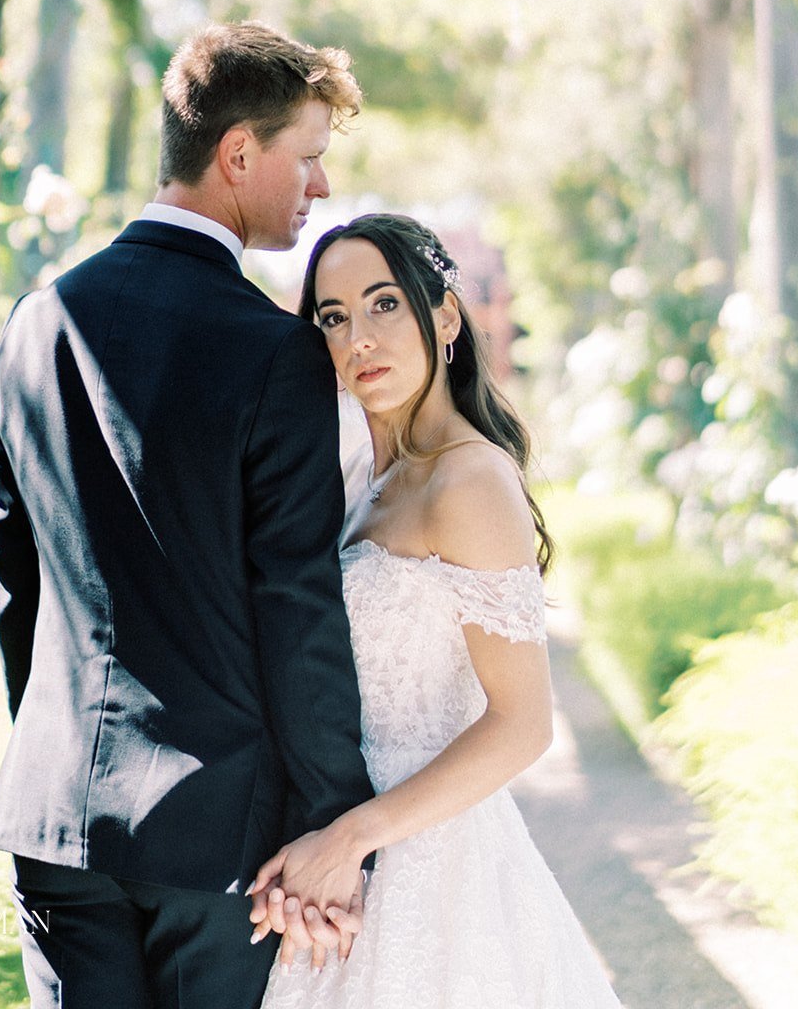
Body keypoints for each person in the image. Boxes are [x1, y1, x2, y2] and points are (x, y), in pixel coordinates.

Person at [0, 22, 375, 1009]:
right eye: (309, 157)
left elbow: (14, 580)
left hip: (53, 812)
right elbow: (295, 607)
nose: (318, 187)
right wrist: (333, 826)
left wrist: (58, 748)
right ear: (239, 152)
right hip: (212, 831)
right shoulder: (273, 352)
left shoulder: (34, 324)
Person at [250, 213, 624, 1008]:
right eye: (334, 316)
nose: (361, 338)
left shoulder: (470, 481)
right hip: (342, 854)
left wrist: (349, 840)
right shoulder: (357, 481)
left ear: (444, 316)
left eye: (384, 304)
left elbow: (522, 724)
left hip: (434, 861)